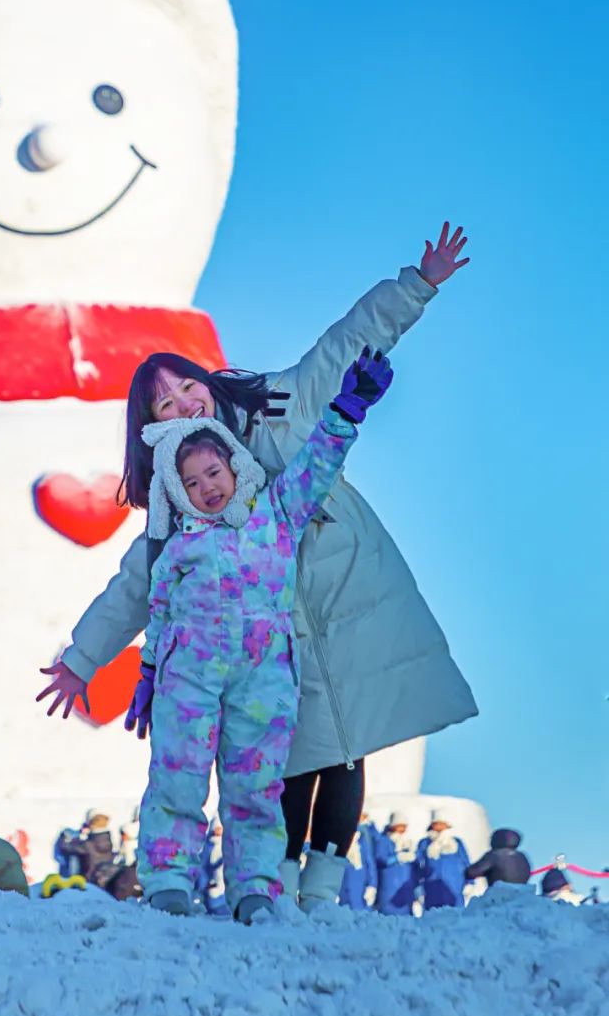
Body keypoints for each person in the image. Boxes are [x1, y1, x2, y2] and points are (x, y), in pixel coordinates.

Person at [37, 228, 477, 910]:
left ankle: (324, 891)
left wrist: (416, 285)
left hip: (339, 583)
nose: (186, 404)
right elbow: (138, 582)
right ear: (151, 426)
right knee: (285, 751)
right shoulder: (178, 499)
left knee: (347, 739)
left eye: (188, 386)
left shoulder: (274, 404)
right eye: (166, 404)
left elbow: (341, 346)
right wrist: (84, 657)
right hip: (263, 628)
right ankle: (276, 882)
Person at [124, 348, 391, 923]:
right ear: (178, 490)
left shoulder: (277, 511)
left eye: (214, 473)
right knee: (176, 778)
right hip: (187, 679)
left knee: (255, 787)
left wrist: (349, 408)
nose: (207, 488)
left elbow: (317, 463)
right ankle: (169, 881)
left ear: (236, 466)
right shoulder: (179, 548)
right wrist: (149, 673)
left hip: (263, 677)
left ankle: (254, 888)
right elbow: (160, 610)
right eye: (191, 483)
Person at [416, 810, 470, 911]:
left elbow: (466, 863)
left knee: (455, 918)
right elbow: (418, 866)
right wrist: (417, 886)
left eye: (441, 824)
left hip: (454, 888)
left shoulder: (456, 843)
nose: (439, 826)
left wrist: (469, 883)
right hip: (431, 889)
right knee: (433, 919)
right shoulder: (425, 843)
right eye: (436, 824)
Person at [374, 814, 420, 916]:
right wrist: (396, 858)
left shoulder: (408, 843)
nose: (402, 829)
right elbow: (381, 859)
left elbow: (416, 867)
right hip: (389, 885)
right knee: (387, 914)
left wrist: (416, 885)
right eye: (399, 826)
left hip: (406, 887)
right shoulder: (383, 841)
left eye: (404, 826)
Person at [338, 811, 379, 911]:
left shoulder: (362, 842)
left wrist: (372, 885)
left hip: (360, 888)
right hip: (342, 888)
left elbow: (370, 865)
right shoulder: (339, 842)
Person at [465, 827, 531, 888]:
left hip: (499, 895)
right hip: (521, 894)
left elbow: (472, 872)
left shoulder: (495, 855)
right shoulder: (522, 856)